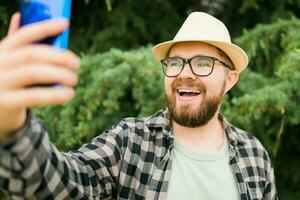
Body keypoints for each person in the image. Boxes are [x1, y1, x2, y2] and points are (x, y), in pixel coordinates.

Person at [0, 11, 277, 200]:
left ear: (230, 80)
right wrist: (11, 127)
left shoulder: (254, 156)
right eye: (175, 62)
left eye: (203, 63)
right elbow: (65, 184)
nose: (185, 73)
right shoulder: (131, 141)